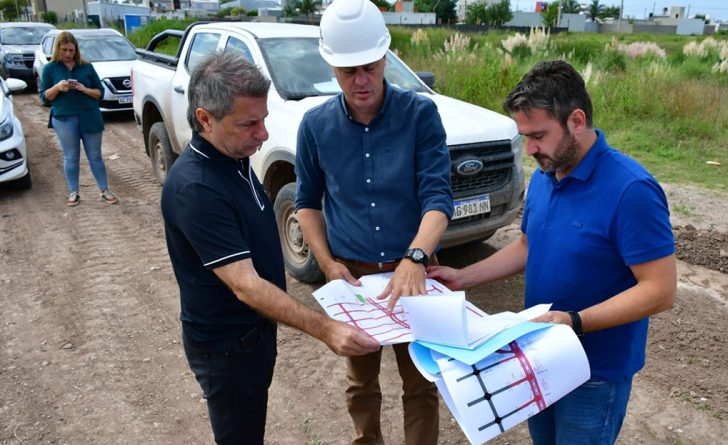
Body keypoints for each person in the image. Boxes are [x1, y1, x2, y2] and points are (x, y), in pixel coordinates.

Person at [427, 60, 677, 445]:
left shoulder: (632, 190)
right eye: (525, 136)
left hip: (595, 372)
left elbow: (660, 290)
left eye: (539, 135)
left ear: (576, 120)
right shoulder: (547, 174)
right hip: (539, 356)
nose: (530, 149)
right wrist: (462, 277)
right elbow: (528, 245)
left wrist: (575, 322)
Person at [161, 52, 379, 445]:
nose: (262, 134)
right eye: (249, 124)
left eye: (263, 120)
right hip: (227, 350)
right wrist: (325, 327)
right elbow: (245, 285)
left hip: (253, 336)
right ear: (205, 119)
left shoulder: (233, 159)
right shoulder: (198, 188)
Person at [294, 0, 454, 442]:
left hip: (415, 270)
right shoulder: (315, 126)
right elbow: (307, 201)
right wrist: (326, 264)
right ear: (331, 67)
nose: (361, 80)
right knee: (361, 382)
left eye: (369, 67)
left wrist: (416, 257)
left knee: (421, 382)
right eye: (349, 71)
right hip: (353, 275)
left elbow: (438, 197)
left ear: (384, 56)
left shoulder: (419, 116)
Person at [40, 31, 118, 206]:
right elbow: (44, 97)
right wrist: (58, 87)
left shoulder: (86, 67)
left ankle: (104, 190)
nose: (69, 54)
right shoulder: (50, 68)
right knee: (71, 157)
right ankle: (73, 191)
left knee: (95, 156)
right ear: (57, 49)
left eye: (72, 50)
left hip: (89, 116)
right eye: (65, 50)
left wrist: (84, 89)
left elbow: (100, 93)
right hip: (64, 119)